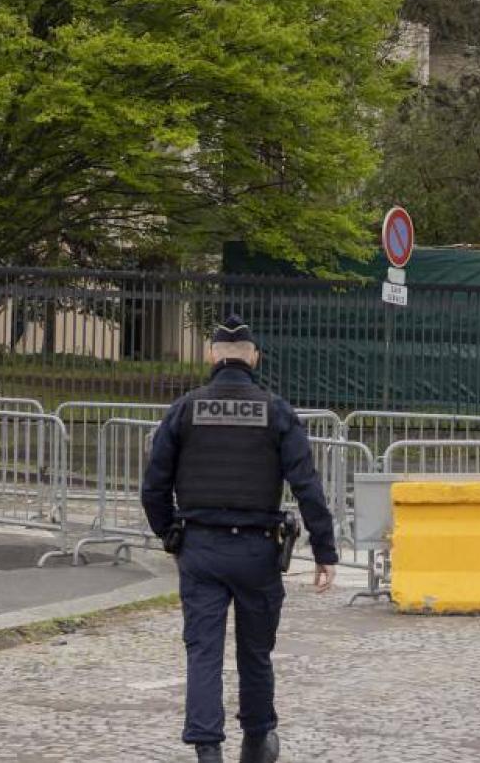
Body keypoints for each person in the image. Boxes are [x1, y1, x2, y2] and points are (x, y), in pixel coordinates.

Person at [141, 315, 339, 763]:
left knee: (203, 650)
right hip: (257, 551)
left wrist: (169, 534)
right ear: (254, 358)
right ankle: (258, 739)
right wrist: (325, 551)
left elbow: (153, 485)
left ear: (211, 355)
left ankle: (208, 749)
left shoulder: (185, 409)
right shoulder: (276, 411)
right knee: (255, 651)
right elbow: (307, 485)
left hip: (201, 548)